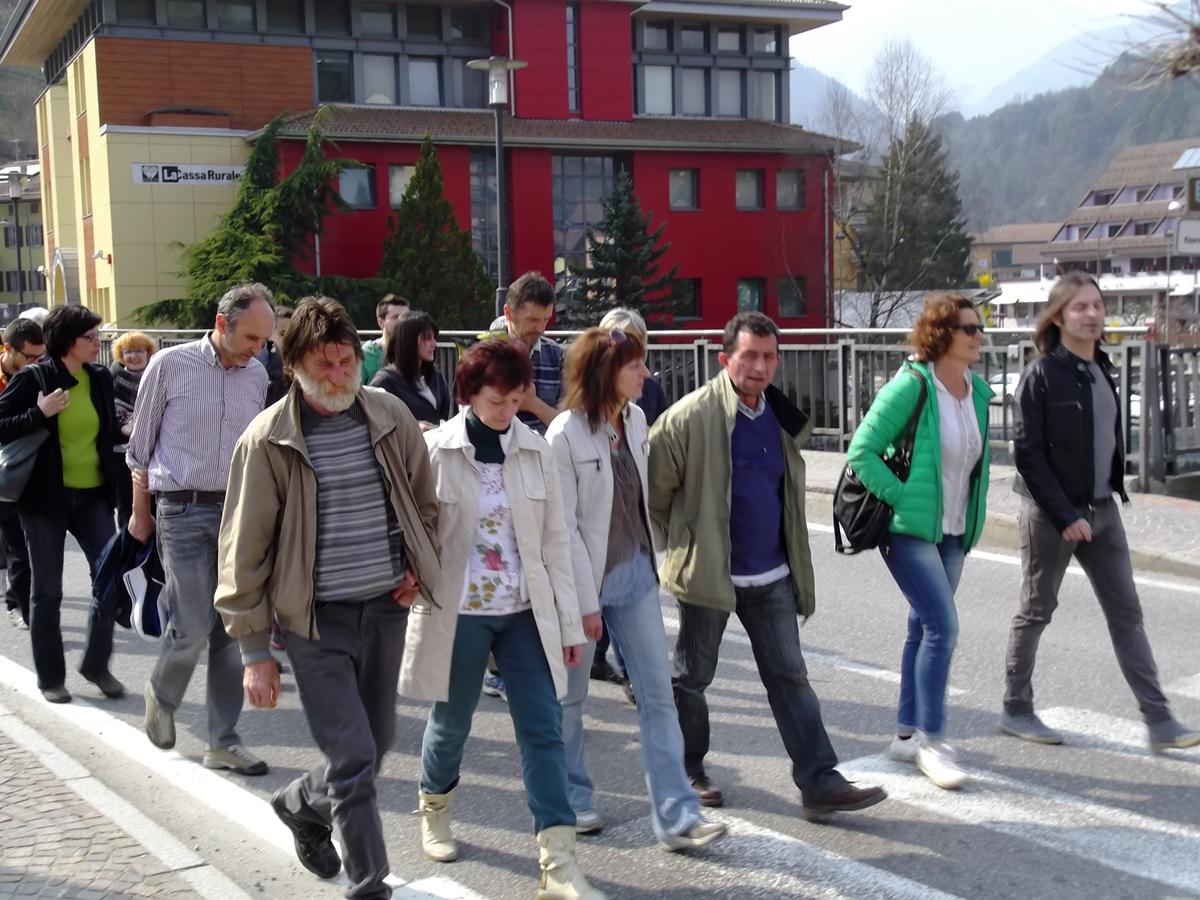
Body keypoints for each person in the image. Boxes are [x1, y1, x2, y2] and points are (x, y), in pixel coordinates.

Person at [215, 297, 440, 899]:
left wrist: (418, 564)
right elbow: (244, 551)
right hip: (314, 622)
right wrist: (254, 652)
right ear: (294, 367)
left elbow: (424, 503)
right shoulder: (266, 442)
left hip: (386, 608)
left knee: (373, 744)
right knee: (354, 755)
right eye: (326, 365)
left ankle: (299, 803)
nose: (341, 375)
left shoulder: (388, 415)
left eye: (347, 362)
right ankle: (370, 884)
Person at [648, 311, 886, 819]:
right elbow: (657, 495)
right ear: (725, 359)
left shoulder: (780, 416)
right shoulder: (687, 418)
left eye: (768, 356)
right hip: (712, 574)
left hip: (772, 573)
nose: (759, 366)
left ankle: (820, 780)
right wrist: (689, 545)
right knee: (692, 678)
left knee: (790, 678)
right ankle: (689, 770)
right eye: (749, 355)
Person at [400, 339, 604, 900]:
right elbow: (414, 532)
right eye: (496, 399)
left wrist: (567, 625)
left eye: (516, 399)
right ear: (468, 394)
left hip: (524, 613)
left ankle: (558, 862)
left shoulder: (537, 450)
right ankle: (434, 806)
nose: (506, 410)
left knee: (543, 730)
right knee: (452, 724)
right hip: (461, 611)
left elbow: (557, 544)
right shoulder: (437, 450)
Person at [1002, 272, 1200, 753]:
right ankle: (1016, 707)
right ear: (1058, 316)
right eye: (1080, 307)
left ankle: (1158, 719)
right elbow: (1027, 454)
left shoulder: (1102, 368)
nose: (1092, 314)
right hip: (1052, 516)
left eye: (1097, 305)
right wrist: (1066, 513)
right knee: (1036, 610)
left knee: (1127, 614)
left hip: (1103, 511)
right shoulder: (1042, 374)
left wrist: (1105, 498)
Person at [547, 327, 727, 850]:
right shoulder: (565, 435)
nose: (646, 374)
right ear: (606, 372)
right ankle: (573, 799)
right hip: (585, 584)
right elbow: (565, 530)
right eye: (635, 366)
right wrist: (584, 604)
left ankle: (677, 817)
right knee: (570, 699)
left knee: (657, 697)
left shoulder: (636, 419)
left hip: (636, 576)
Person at [127, 282, 276, 775]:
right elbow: (139, 451)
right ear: (221, 324)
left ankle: (222, 742)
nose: (258, 350)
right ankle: (161, 693)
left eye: (264, 340)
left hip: (237, 514)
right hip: (181, 509)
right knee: (190, 624)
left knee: (231, 631)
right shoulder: (169, 366)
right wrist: (139, 512)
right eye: (252, 338)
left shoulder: (256, 375)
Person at [846, 294, 992, 789]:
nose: (978, 336)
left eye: (979, 328)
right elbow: (861, 451)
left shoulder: (978, 394)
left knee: (922, 628)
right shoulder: (912, 387)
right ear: (942, 335)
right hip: (910, 530)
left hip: (952, 531)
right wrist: (903, 497)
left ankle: (906, 735)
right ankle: (934, 741)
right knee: (942, 627)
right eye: (969, 329)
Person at [0, 305, 121, 703]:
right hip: (44, 500)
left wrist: (126, 426)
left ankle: (96, 665)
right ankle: (51, 677)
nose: (98, 342)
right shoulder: (35, 377)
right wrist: (39, 412)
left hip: (93, 495)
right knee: (47, 589)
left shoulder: (100, 377)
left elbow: (106, 424)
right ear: (69, 341)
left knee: (108, 577)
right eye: (90, 337)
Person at [0, 317, 43, 629]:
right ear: (8, 349)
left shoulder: (37, 376)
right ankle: (18, 603)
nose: (35, 363)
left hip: (23, 471)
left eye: (40, 357)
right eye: (29, 357)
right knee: (14, 544)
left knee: (21, 544)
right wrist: (38, 414)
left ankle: (22, 604)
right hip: (4, 470)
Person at [480, 272, 562, 436]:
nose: (541, 329)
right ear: (509, 313)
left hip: (545, 455)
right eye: (532, 320)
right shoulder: (483, 355)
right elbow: (468, 418)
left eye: (546, 319)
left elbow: (567, 425)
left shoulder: (556, 354)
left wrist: (533, 404)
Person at [369, 310, 451, 430]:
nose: (434, 344)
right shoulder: (384, 381)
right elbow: (375, 424)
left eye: (434, 338)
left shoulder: (435, 376)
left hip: (433, 446)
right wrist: (415, 428)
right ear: (409, 341)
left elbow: (445, 414)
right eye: (428, 338)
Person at [110, 331, 157, 529]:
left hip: (153, 453)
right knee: (126, 507)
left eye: (139, 350)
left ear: (148, 352)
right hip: (121, 453)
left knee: (154, 507)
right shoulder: (110, 377)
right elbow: (110, 412)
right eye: (128, 351)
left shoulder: (157, 375)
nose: (135, 356)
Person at [597, 308, 668, 428]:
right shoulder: (588, 388)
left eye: (639, 339)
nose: (634, 346)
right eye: (626, 339)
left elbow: (662, 436)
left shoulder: (651, 387)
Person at [360, 295, 409, 384]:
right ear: (381, 322)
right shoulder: (368, 354)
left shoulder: (415, 351)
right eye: (396, 317)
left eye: (406, 317)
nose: (402, 321)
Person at [260, 304, 293, 407]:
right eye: (282, 334)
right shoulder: (256, 370)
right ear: (268, 334)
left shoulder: (304, 375)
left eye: (293, 334)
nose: (289, 339)